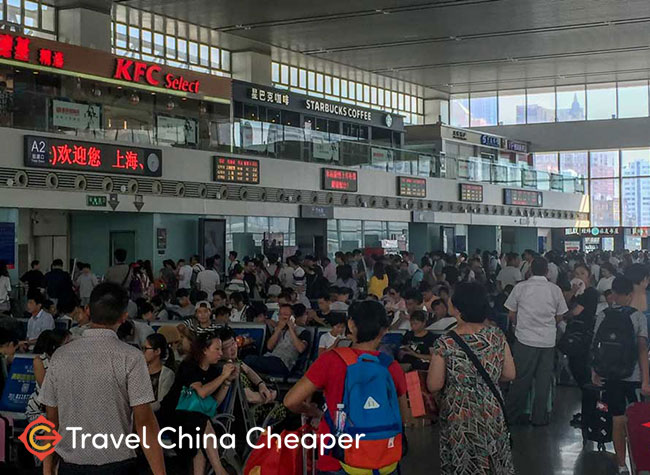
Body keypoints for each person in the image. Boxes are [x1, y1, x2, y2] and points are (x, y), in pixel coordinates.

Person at [39, 282, 166, 475]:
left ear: (88, 311)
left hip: (71, 466)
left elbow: (51, 422)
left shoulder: (60, 357)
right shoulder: (131, 357)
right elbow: (145, 423)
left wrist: (47, 470)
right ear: (124, 317)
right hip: (118, 465)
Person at [284, 300, 408, 475]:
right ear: (385, 330)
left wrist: (316, 413)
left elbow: (290, 401)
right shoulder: (391, 367)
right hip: (384, 460)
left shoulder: (331, 360)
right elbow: (405, 416)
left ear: (351, 324)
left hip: (337, 459)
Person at [428, 282, 516, 475]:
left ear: (458, 308)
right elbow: (509, 374)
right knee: (493, 456)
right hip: (490, 406)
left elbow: (434, 384)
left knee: (464, 460)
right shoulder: (496, 336)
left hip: (459, 411)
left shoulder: (446, 342)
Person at [591, 276, 650, 474]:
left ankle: (621, 465)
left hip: (609, 376)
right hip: (632, 377)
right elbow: (642, 349)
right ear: (631, 295)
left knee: (617, 419)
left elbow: (595, 346)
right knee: (636, 422)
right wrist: (646, 380)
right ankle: (638, 465)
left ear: (613, 294)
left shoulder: (603, 315)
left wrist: (595, 372)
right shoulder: (637, 317)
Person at [504, 257, 568, 426]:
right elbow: (560, 315)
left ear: (530, 269)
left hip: (524, 340)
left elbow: (511, 313)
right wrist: (547, 324)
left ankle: (511, 417)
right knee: (543, 380)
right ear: (547, 271)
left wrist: (522, 324)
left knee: (520, 380)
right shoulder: (555, 290)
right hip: (547, 341)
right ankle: (539, 418)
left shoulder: (521, 288)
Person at [159, 331, 233, 475]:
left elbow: (213, 404)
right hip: (174, 413)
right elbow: (202, 392)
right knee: (202, 423)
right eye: (217, 349)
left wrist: (227, 382)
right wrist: (223, 376)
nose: (220, 353)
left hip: (195, 417)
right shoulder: (189, 366)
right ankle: (219, 470)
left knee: (199, 429)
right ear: (205, 350)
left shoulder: (213, 371)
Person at [566, 263, 600, 428]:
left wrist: (563, 316)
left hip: (582, 338)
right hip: (576, 336)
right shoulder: (582, 293)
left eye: (582, 273)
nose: (578, 276)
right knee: (578, 370)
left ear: (589, 276)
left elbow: (575, 312)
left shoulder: (590, 293)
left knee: (581, 372)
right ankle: (588, 412)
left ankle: (590, 413)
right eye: (576, 273)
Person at [243, 303, 310, 377]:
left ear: (292, 316)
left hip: (284, 363)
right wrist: (279, 329)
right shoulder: (278, 330)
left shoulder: (303, 331)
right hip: (271, 358)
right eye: (280, 314)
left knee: (248, 360)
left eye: (285, 314)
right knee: (247, 360)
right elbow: (269, 347)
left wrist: (291, 329)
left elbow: (301, 349)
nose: (282, 317)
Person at [25, 329, 71, 423]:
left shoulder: (70, 361)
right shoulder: (40, 361)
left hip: (64, 408)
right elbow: (46, 389)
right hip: (42, 409)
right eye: (67, 343)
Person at [143, 333, 175, 413]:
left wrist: (140, 409)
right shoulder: (140, 370)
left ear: (157, 351)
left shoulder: (167, 374)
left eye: (145, 349)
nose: (142, 352)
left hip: (157, 416)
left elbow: (161, 402)